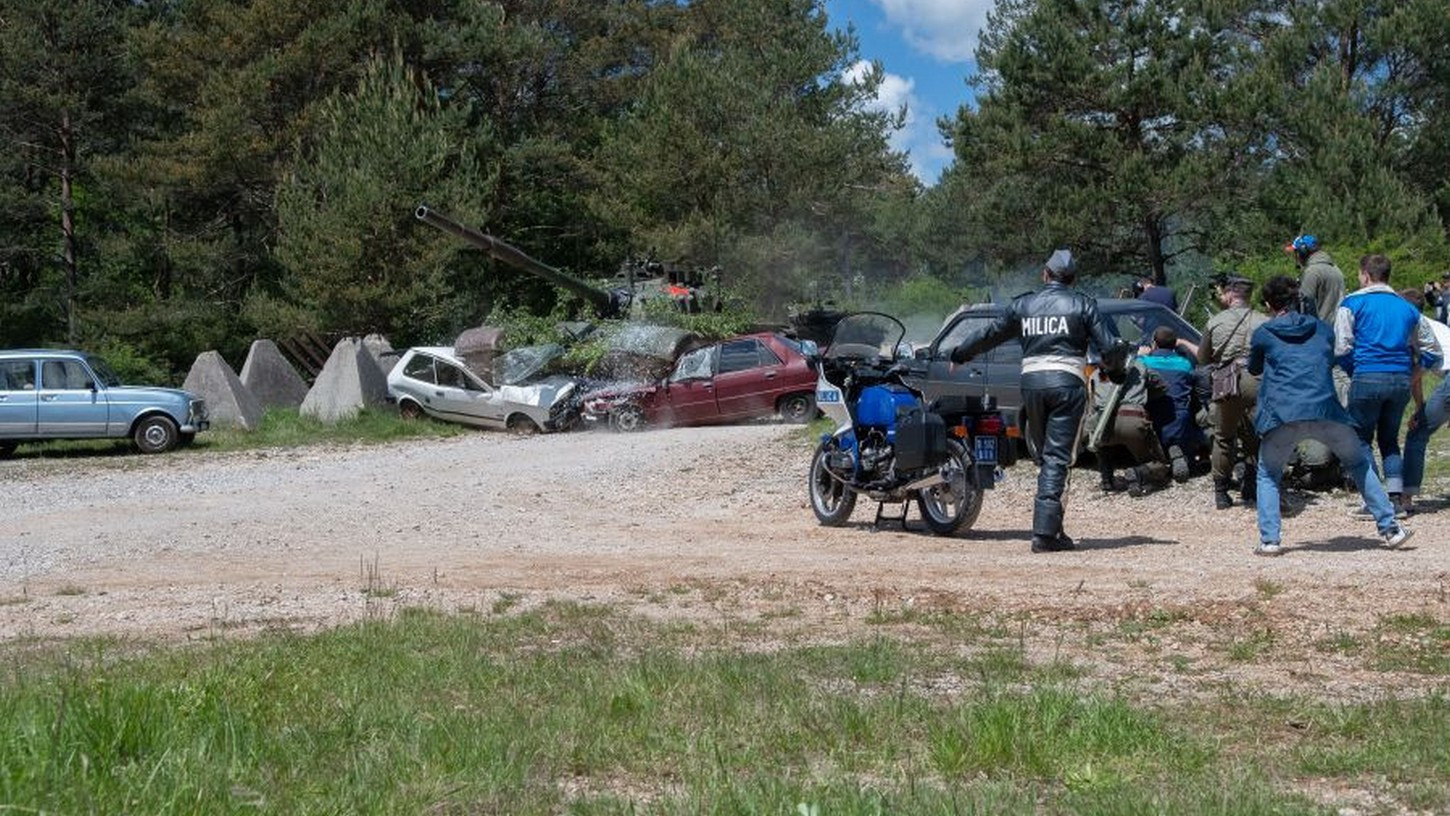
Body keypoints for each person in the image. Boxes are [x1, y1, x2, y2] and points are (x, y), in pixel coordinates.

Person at [951, 249, 1130, 553]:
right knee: (1058, 458)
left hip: (1031, 384)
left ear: (1045, 275)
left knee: (1046, 457)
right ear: (1071, 279)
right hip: (1067, 384)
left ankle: (1052, 528)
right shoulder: (1083, 304)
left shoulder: (1024, 304)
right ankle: (1045, 534)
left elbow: (990, 333)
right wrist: (1117, 374)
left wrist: (960, 353)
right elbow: (1110, 348)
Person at [1247, 275, 1412, 555]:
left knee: (1268, 473)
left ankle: (1270, 541)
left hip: (1283, 415)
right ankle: (1391, 530)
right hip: (1326, 410)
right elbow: (1329, 356)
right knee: (1359, 464)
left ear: (1268, 304)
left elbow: (1253, 369)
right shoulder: (1324, 330)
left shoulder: (1264, 333)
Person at [1334, 253, 1422, 515]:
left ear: (1366, 275)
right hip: (1400, 378)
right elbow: (1419, 348)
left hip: (1367, 374)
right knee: (1390, 440)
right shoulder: (1407, 307)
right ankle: (1396, 500)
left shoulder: (1352, 302)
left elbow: (1341, 347)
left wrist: (1354, 371)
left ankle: (1374, 500)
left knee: (1360, 438)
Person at [1197, 275, 1267, 509]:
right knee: (1256, 435)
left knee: (1224, 436)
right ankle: (1252, 485)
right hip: (1257, 379)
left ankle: (1221, 492)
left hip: (1227, 381)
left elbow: (1203, 359)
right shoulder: (1264, 321)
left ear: (1230, 294)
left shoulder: (1215, 322)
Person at [1086, 354, 1172, 496]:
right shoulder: (1139, 366)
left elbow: (1092, 404)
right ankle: (1138, 473)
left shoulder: (1096, 374)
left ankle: (1107, 480)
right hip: (1132, 418)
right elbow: (1162, 386)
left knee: (1101, 442)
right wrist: (1145, 396)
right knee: (1159, 463)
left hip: (1103, 424)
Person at [1139, 326, 1206, 480]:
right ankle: (1177, 450)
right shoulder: (1185, 364)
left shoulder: (1144, 362)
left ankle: (1162, 458)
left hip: (1153, 418)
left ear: (1154, 344)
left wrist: (1140, 356)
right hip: (1180, 418)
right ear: (1175, 344)